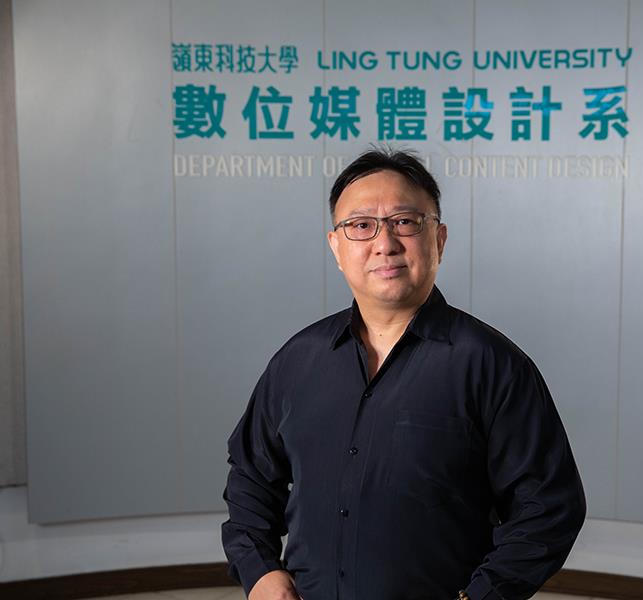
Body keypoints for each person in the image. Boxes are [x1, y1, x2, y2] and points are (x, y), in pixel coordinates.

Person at [221, 148, 586, 600]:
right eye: (361, 226)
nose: (385, 243)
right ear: (336, 247)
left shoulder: (492, 365)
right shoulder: (298, 361)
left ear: (439, 239)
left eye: (405, 222)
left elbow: (549, 508)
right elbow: (251, 476)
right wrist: (260, 571)